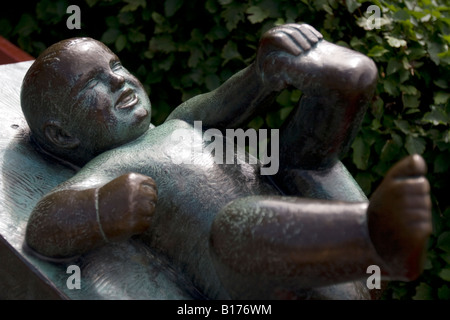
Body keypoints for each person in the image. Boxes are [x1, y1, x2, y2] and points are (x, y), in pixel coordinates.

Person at [21, 23, 431, 299]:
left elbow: (226, 103)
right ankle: (376, 236)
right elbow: (42, 227)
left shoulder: (181, 120)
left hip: (324, 258)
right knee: (235, 227)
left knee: (304, 161)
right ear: (62, 135)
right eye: (92, 84)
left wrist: (263, 72)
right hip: (248, 278)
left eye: (116, 65)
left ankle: (345, 86)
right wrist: (101, 208)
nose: (117, 80)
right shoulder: (111, 169)